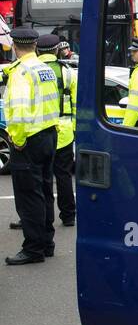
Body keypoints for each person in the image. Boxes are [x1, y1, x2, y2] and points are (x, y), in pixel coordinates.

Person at [4, 26, 60, 265]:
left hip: (28, 140)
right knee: (46, 191)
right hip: (49, 135)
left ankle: (33, 248)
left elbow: (18, 111)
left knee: (29, 196)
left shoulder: (21, 72)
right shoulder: (44, 68)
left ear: (15, 47)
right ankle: (46, 243)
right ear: (35, 45)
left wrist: (17, 140)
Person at [37, 34, 77, 225]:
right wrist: (75, 127)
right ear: (56, 50)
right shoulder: (68, 71)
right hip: (65, 130)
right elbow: (76, 103)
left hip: (39, 130)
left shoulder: (32, 71)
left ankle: (42, 216)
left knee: (39, 177)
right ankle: (68, 215)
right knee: (64, 175)